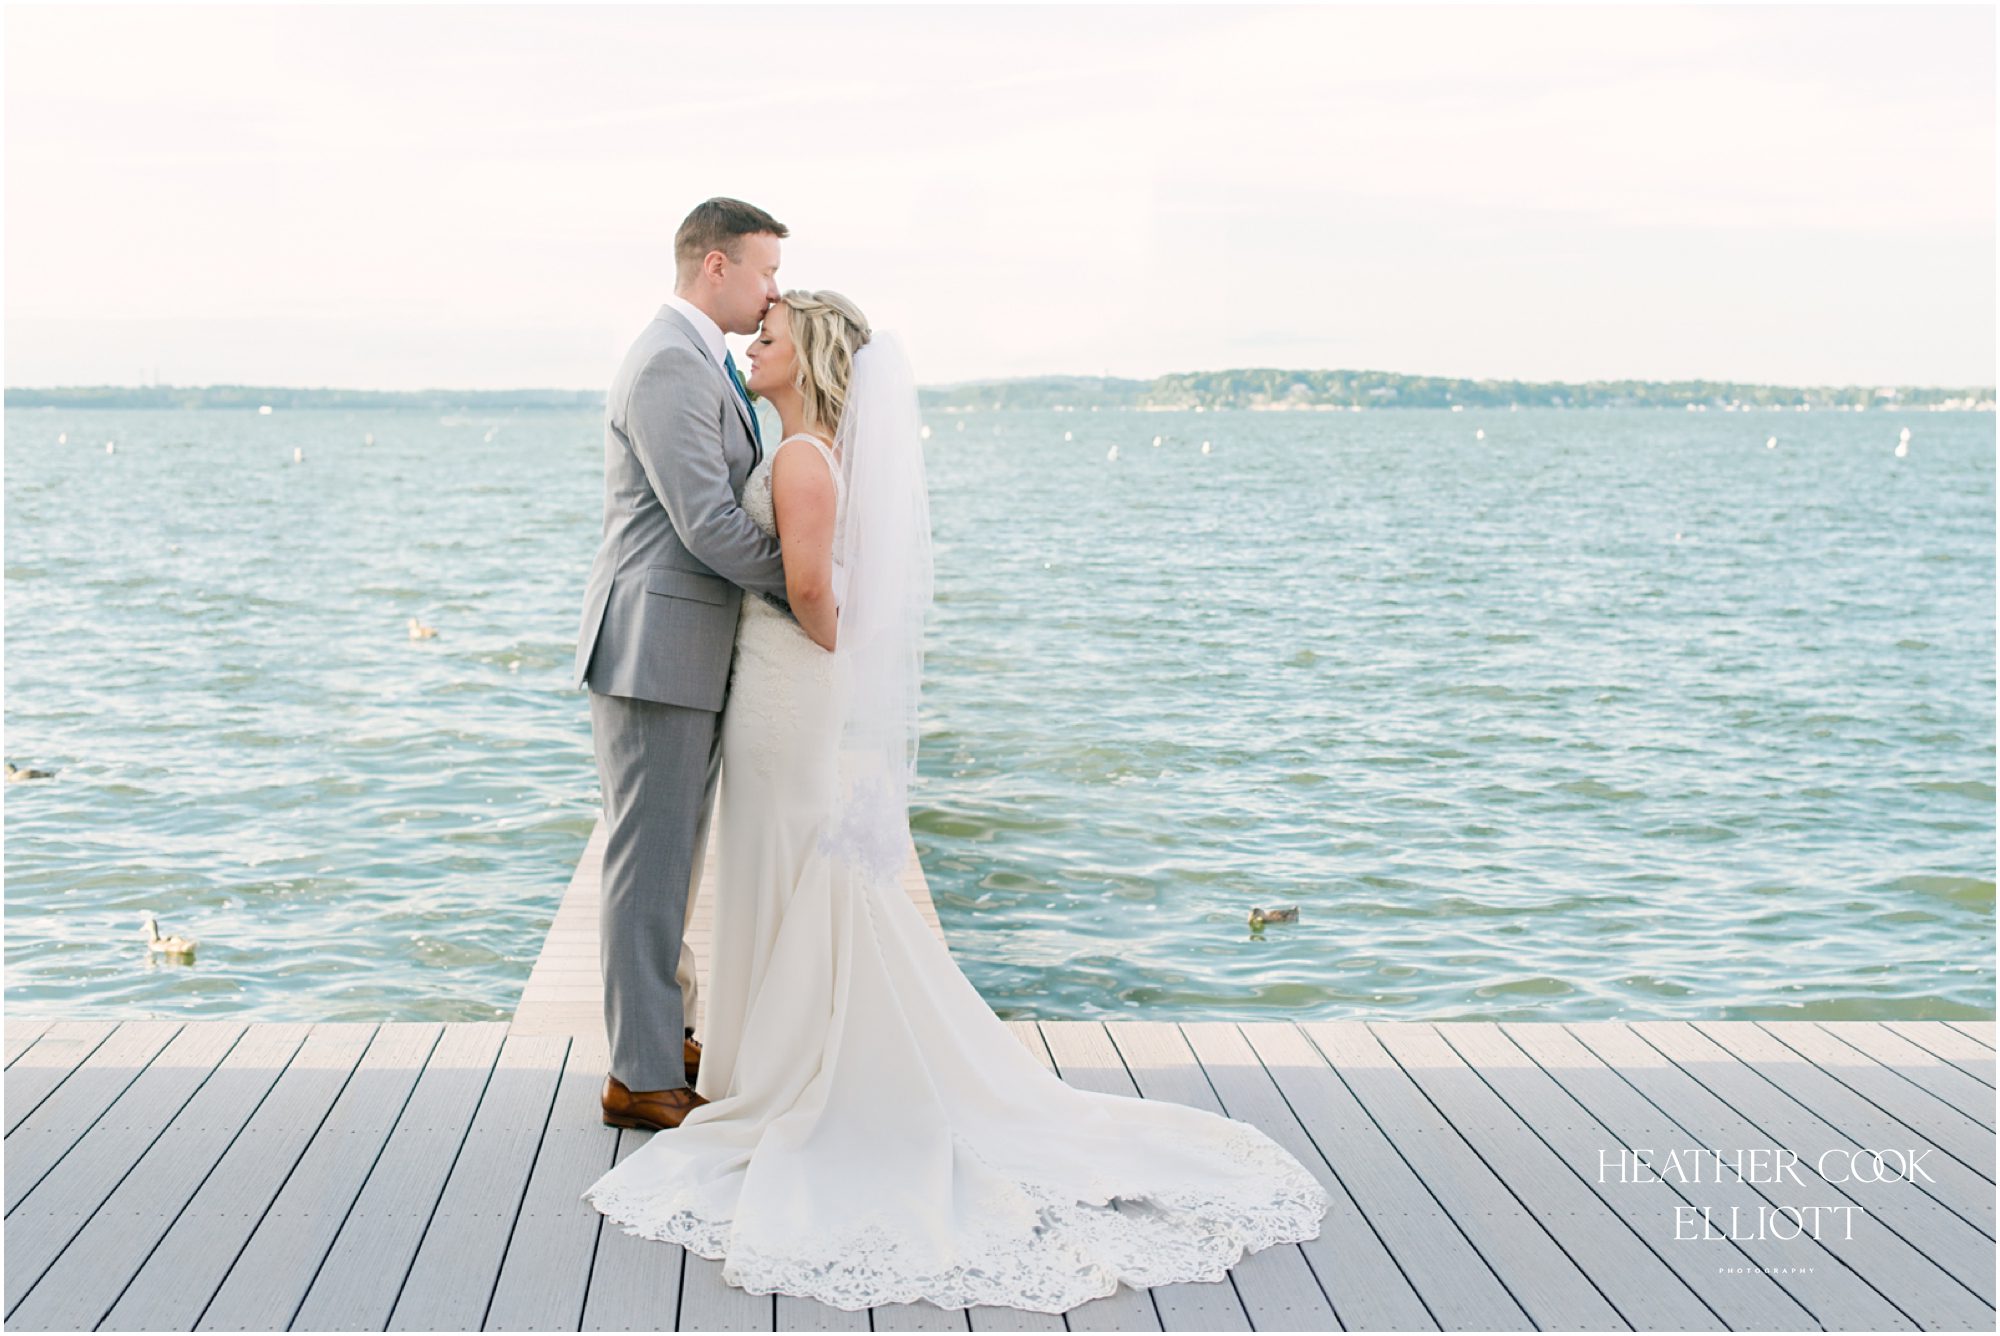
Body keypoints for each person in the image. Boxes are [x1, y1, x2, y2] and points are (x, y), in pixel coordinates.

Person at [580, 287, 1331, 1314]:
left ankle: (787, 1060)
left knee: (782, 858)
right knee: (787, 861)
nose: (755, 343)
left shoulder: (802, 457)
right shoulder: (809, 446)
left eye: (772, 335)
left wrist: (827, 650)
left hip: (782, 689)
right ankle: (776, 1048)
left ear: (810, 358)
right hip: (784, 688)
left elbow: (809, 592)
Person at [573, 197, 788, 1124]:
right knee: (648, 869)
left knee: (668, 864)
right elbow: (705, 523)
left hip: (679, 648)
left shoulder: (698, 358)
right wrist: (810, 587)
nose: (773, 289)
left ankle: (665, 1033)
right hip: (654, 648)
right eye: (765, 270)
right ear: (715, 265)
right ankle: (640, 1076)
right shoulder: (669, 361)